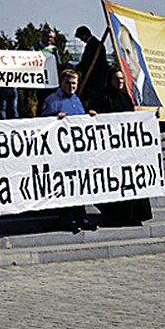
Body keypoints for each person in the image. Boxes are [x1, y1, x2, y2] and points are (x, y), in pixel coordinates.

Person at [90, 67, 154, 227]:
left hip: (127, 148)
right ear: (110, 81)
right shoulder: (102, 97)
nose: (119, 82)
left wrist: (150, 117)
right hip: (110, 150)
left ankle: (136, 215)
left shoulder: (125, 97)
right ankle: (116, 215)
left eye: (121, 79)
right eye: (116, 79)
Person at [41, 68, 98, 233]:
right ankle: (67, 219)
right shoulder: (52, 100)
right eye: (68, 83)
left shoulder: (77, 100)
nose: (71, 86)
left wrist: (90, 117)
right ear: (61, 83)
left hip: (77, 153)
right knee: (65, 186)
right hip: (61, 152)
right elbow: (42, 123)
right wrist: (55, 118)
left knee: (79, 185)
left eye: (74, 83)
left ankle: (82, 216)